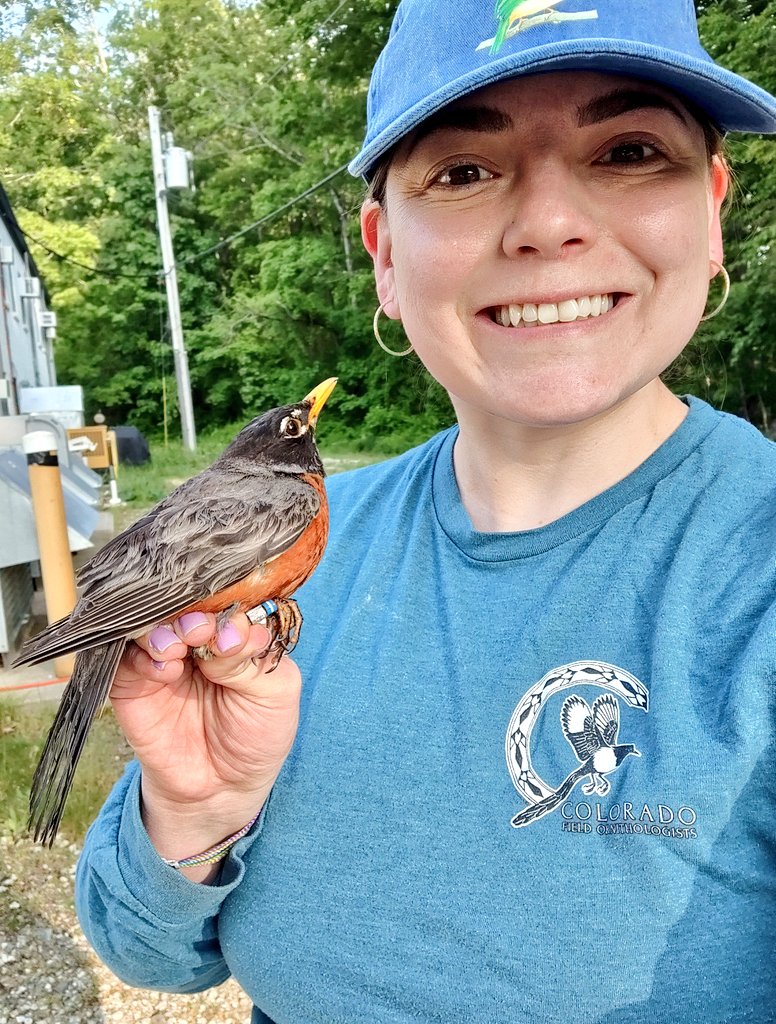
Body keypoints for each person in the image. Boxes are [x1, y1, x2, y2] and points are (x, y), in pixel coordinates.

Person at [75, 2, 776, 1021]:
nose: (546, 224)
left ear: (711, 210)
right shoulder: (305, 549)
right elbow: (146, 951)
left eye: (627, 150)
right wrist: (193, 809)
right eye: (462, 170)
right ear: (384, 254)